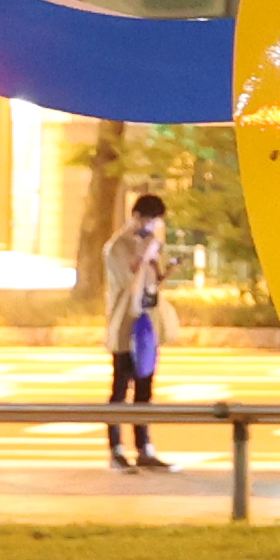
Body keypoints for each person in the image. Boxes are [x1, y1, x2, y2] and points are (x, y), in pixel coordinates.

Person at [101, 190, 175, 471]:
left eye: (156, 221)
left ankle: (145, 448)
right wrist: (145, 255)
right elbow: (128, 279)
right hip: (125, 323)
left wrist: (162, 269)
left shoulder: (152, 243)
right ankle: (116, 450)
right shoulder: (117, 246)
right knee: (121, 386)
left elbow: (152, 282)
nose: (153, 225)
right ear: (137, 217)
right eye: (150, 219)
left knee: (145, 386)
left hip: (146, 323)